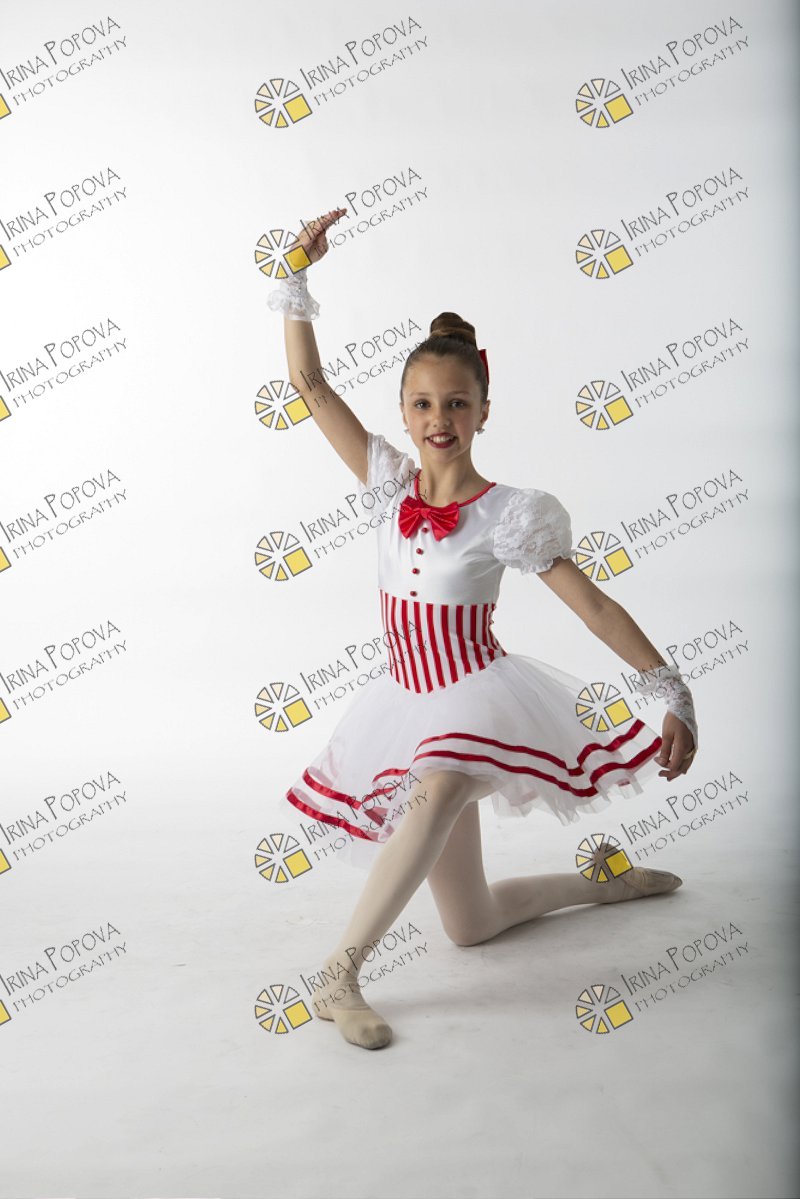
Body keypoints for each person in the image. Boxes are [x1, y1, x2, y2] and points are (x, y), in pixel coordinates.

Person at [267, 208, 699, 1051]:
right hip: (404, 698)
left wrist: (670, 688)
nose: (440, 418)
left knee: (436, 785)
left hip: (473, 694)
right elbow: (310, 386)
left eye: (457, 403)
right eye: (423, 403)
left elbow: (594, 606)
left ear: (483, 411)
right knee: (471, 923)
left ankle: (338, 975)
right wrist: (295, 273)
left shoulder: (510, 514)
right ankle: (603, 885)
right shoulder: (386, 483)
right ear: (402, 410)